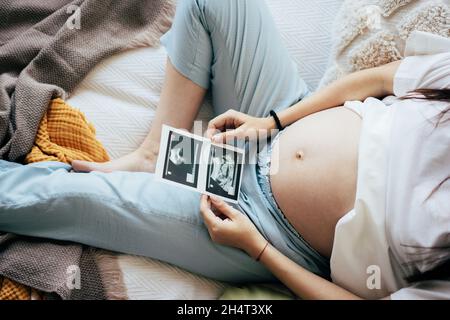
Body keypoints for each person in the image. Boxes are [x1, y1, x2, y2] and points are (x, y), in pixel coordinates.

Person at [0, 0, 448, 299]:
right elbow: (383, 79)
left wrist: (257, 250)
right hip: (277, 121)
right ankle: (153, 153)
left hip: (267, 229)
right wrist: (271, 120)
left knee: (70, 200)